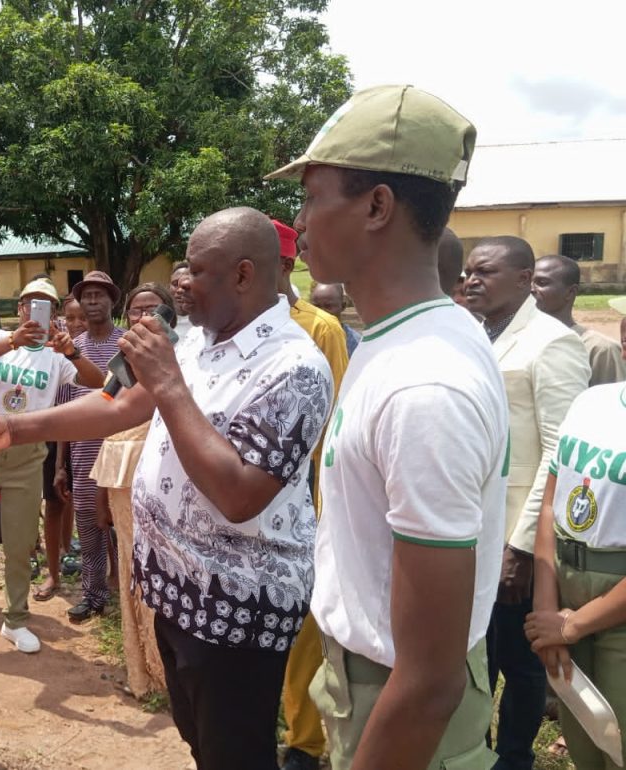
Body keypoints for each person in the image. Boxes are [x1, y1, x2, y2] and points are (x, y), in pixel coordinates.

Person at [0, 207, 333, 770]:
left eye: (198, 272)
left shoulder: (294, 365)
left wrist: (168, 384)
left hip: (235, 606)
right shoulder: (192, 342)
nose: (182, 284)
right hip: (176, 589)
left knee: (237, 753)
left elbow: (240, 495)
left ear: (244, 275)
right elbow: (117, 405)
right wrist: (15, 428)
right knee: (198, 737)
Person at [267, 83, 509, 769]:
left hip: (400, 709)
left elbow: (429, 679)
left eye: (314, 196)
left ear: (378, 207)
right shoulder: (406, 338)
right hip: (370, 684)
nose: (301, 221)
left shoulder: (424, 385)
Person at [463, 236, 590, 769]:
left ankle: (514, 758)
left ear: (522, 279)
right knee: (476, 655)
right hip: (472, 526)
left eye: (485, 272)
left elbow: (562, 451)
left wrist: (519, 546)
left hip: (517, 537)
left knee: (520, 664)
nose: (471, 280)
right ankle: (476, 751)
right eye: (468, 270)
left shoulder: (550, 342)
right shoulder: (473, 334)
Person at [0, 279, 103, 653]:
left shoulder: (56, 353)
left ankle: (15, 620)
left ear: (54, 314)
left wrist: (72, 353)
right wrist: (12, 342)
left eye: (44, 305)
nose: (34, 310)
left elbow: (98, 383)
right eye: (29, 303)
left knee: (19, 545)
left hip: (26, 456)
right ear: (19, 307)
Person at [270, 218, 349, 770]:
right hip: (245, 505)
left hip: (303, 503)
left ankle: (304, 742)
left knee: (301, 633)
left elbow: (333, 428)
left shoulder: (318, 328)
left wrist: (321, 510)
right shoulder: (222, 329)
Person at [526, 382, 626, 770]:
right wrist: (546, 610)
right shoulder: (590, 402)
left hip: (614, 607)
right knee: (586, 743)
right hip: (564, 596)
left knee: (618, 747)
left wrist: (573, 626)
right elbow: (551, 504)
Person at [90, 282, 177, 698]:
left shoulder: (182, 357)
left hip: (160, 476)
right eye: (136, 308)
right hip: (119, 477)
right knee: (129, 569)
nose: (143, 315)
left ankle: (167, 673)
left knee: (161, 571)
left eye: (153, 308)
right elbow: (106, 409)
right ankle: (141, 671)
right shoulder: (122, 360)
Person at [65, 271, 125, 623]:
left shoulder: (126, 343)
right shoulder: (73, 349)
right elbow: (66, 408)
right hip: (83, 453)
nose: (92, 301)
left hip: (120, 454)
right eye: (86, 296)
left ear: (111, 301)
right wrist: (61, 464)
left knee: (123, 527)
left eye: (99, 295)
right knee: (88, 529)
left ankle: (132, 596)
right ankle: (94, 595)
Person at [37, 295, 89, 601]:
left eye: (81, 317)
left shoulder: (105, 346)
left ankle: (101, 568)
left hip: (91, 438)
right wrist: (59, 461)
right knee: (56, 501)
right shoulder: (55, 353)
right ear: (60, 320)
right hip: (60, 436)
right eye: (70, 318)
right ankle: (53, 572)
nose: (77, 324)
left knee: (88, 503)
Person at [532, 254, 626, 385]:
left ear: (570, 292)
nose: (531, 289)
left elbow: (611, 401)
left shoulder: (599, 349)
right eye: (527, 282)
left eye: (541, 283)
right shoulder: (519, 339)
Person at [309, 282, 361, 357]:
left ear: (343, 306)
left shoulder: (355, 343)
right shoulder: (303, 338)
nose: (322, 313)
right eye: (317, 306)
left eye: (328, 306)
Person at [169, 261, 194, 338]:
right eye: (175, 284)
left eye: (186, 285)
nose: (180, 290)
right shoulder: (161, 322)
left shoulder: (207, 325)